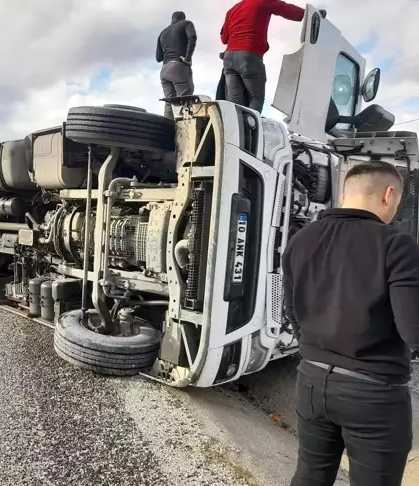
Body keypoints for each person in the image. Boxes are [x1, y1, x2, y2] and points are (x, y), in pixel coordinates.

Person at [283, 161, 419, 486]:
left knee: (310, 476)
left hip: (312, 382)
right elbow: (414, 330)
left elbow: (292, 313)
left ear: (346, 193)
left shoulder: (301, 239)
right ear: (389, 195)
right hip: (374, 394)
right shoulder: (396, 245)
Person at [220, 0, 306, 113]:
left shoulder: (232, 10)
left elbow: (224, 39)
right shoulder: (261, 1)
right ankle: (251, 129)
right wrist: (309, 14)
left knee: (235, 103)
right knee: (256, 98)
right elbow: (287, 10)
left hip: (229, 58)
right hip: (248, 55)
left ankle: (237, 129)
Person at [156, 11, 197, 119]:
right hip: (178, 67)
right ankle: (186, 133)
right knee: (185, 100)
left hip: (164, 71)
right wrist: (187, 58)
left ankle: (167, 132)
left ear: (172, 19)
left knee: (169, 102)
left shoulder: (162, 33)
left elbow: (158, 58)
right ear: (183, 18)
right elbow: (192, 37)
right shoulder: (186, 24)